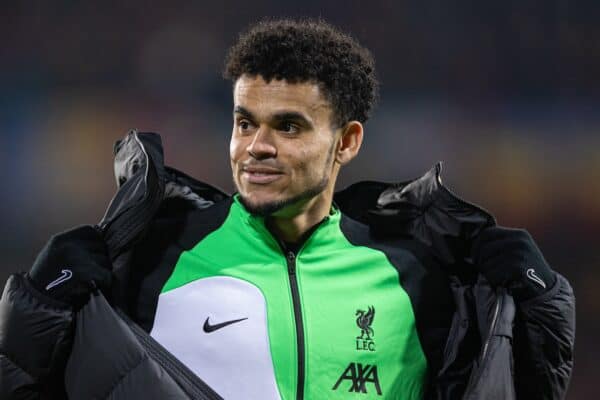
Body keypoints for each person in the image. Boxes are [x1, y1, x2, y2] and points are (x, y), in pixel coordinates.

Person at [0, 18, 574, 400]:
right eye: (245, 122)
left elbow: (528, 385)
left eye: (289, 126)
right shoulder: (151, 259)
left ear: (347, 142)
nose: (257, 146)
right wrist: (34, 317)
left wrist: (541, 304)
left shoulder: (419, 276)